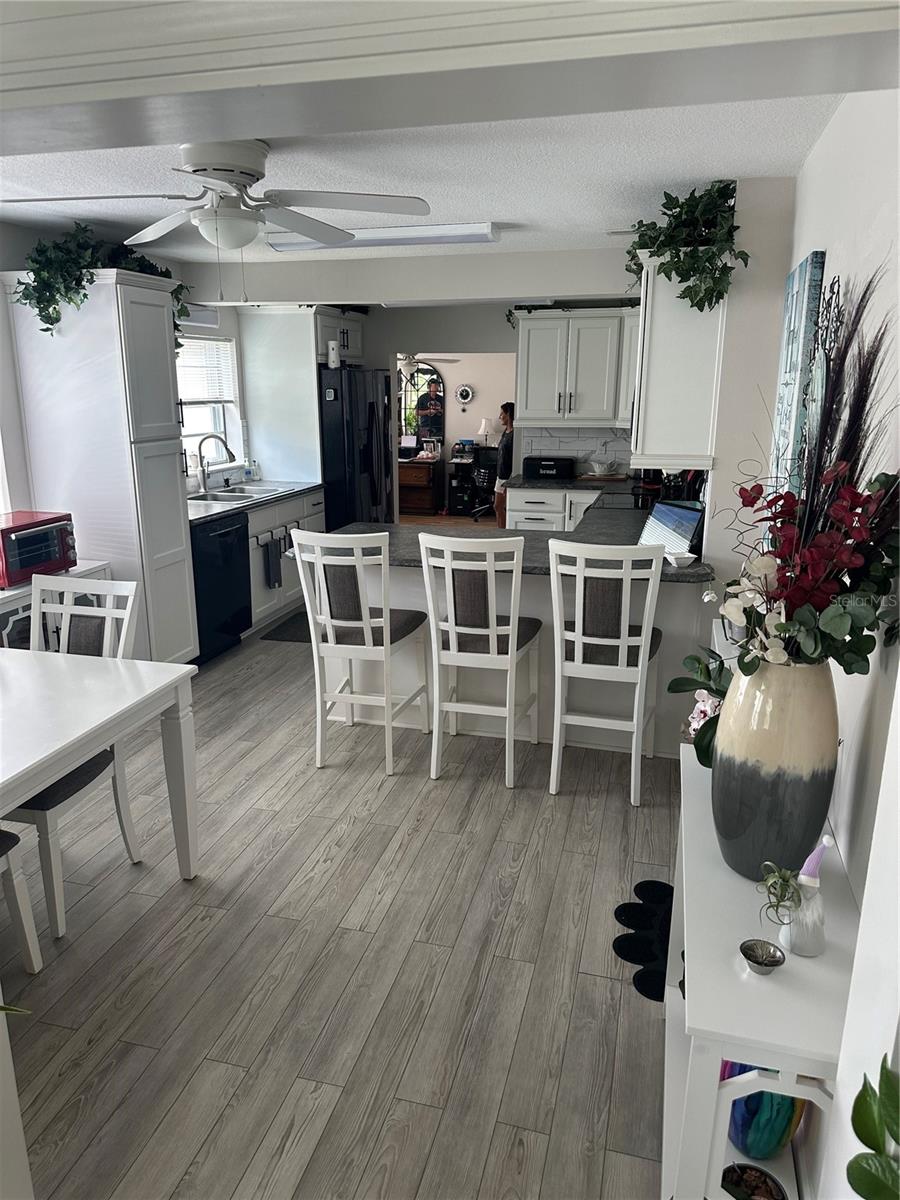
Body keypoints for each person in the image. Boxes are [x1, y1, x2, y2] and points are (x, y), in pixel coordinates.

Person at [494, 401, 514, 528]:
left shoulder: (515, 434)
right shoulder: (505, 432)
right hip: (500, 476)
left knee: (503, 507)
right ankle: (500, 533)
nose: (500, 416)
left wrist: (510, 482)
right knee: (497, 506)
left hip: (508, 478)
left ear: (509, 414)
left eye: (502, 414)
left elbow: (515, 459)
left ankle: (505, 533)